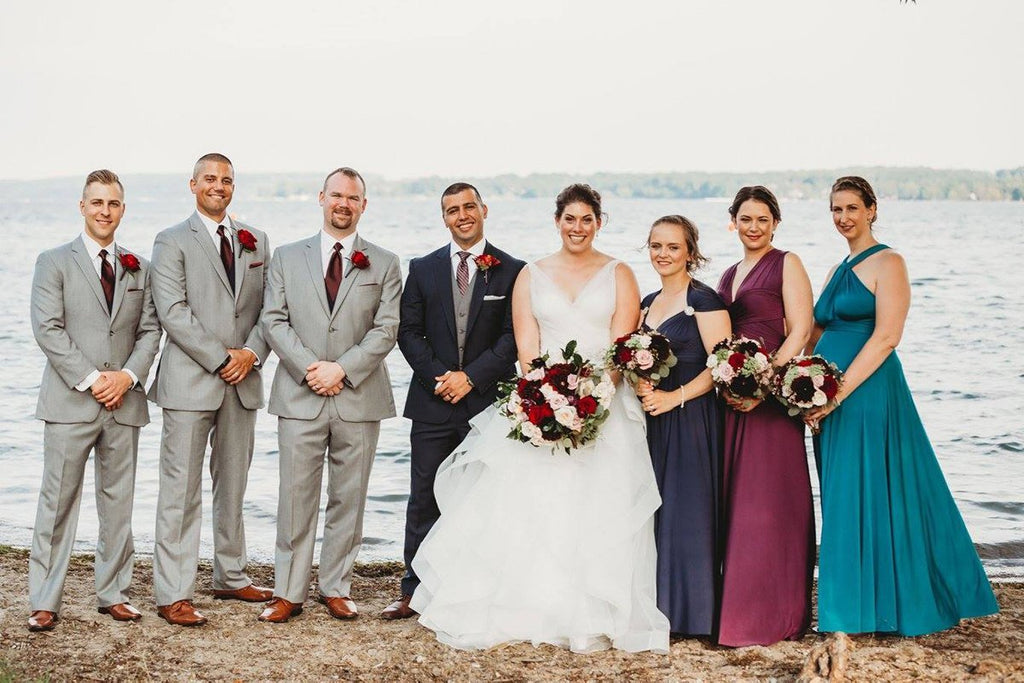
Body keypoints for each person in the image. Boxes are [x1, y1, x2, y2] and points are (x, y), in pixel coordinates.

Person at [410, 184, 670, 654]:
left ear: (599, 222)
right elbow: (526, 350)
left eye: (587, 219)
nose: (577, 227)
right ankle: (528, 605)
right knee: (533, 507)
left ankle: (596, 609)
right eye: (569, 219)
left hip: (604, 408)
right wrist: (546, 400)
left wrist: (591, 398)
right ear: (557, 221)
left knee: (599, 505)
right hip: (542, 405)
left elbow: (620, 348)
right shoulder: (531, 274)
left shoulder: (620, 274)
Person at [805, 175, 998, 635]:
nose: (843, 218)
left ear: (873, 209)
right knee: (842, 494)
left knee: (872, 490)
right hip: (829, 395)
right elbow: (815, 331)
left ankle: (868, 608)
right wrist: (798, 383)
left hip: (867, 392)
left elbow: (888, 336)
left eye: (852, 208)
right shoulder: (838, 269)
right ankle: (852, 606)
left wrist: (836, 394)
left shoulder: (889, 262)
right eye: (836, 210)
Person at [258, 167, 402, 623]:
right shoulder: (285, 256)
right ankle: (288, 591)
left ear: (363, 205)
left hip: (359, 395)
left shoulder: (385, 262)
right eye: (336, 195)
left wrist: (343, 368)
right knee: (295, 495)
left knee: (349, 496)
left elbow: (387, 329)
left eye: (353, 198)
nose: (344, 204)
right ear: (321, 198)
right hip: (300, 395)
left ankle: (336, 586)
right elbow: (273, 320)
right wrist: (311, 369)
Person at [27, 170, 161, 631]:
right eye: (98, 202)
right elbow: (48, 328)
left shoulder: (140, 267)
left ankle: (114, 593)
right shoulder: (53, 261)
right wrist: (90, 379)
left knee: (118, 503)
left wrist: (125, 377)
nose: (106, 211)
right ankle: (45, 599)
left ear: (123, 210)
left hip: (124, 403)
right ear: (82, 206)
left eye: (114, 204)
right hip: (70, 403)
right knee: (57, 503)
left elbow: (150, 332)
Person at [385, 183, 524, 619]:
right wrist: (439, 378)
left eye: (468, 207)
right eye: (452, 210)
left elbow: (513, 337)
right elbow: (408, 332)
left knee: (484, 496)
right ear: (443, 218)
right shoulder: (422, 268)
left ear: (484, 210)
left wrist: (472, 378)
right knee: (424, 495)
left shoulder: (513, 270)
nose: (462, 215)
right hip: (432, 401)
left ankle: (480, 588)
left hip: (487, 402)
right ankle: (414, 588)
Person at [149, 153, 273, 627]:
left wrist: (251, 355)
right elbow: (173, 311)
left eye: (226, 180)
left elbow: (270, 308)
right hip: (189, 382)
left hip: (243, 381)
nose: (218, 186)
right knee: (180, 490)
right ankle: (174, 591)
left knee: (234, 483)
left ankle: (231, 574)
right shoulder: (171, 240)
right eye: (210, 179)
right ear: (193, 184)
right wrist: (222, 358)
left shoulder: (257, 239)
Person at [715, 186, 816, 646]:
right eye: (745, 219)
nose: (753, 227)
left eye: (762, 219)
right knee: (736, 501)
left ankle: (778, 615)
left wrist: (764, 379)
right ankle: (736, 610)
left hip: (769, 399)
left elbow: (799, 330)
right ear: (732, 221)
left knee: (770, 502)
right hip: (733, 399)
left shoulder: (786, 263)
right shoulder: (729, 273)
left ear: (775, 222)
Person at [635, 216, 730, 636]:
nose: (663, 254)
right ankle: (657, 606)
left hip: (691, 415)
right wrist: (640, 382)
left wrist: (674, 397)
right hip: (650, 418)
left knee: (687, 510)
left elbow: (722, 365)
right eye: (656, 245)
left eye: (673, 247)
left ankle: (694, 613)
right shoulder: (647, 302)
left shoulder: (706, 301)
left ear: (691, 251)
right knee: (655, 508)